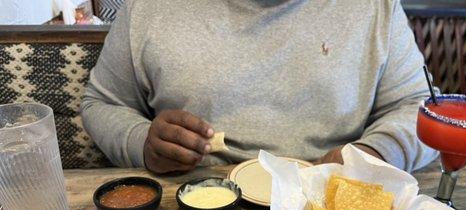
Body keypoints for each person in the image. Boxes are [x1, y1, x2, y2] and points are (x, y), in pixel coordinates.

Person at [81, 0, 437, 174]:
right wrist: (143, 144)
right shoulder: (147, 6)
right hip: (191, 204)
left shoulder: (374, 7)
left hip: (334, 206)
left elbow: (421, 109)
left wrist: (370, 155)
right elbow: (102, 103)